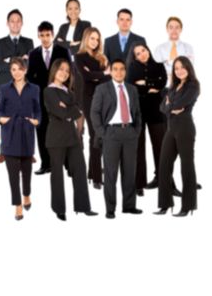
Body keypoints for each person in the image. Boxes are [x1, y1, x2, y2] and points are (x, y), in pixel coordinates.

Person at [44, 59, 98, 221]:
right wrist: (70, 109)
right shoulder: (49, 91)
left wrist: (67, 107)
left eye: (67, 71)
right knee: (57, 174)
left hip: (72, 137)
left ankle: (83, 207)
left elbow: (77, 112)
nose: (64, 73)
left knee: (80, 169)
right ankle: (59, 209)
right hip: (56, 138)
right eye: (61, 69)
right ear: (54, 70)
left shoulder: (69, 92)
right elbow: (62, 113)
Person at [90, 59, 142, 219]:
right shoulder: (102, 89)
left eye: (122, 69)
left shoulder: (132, 89)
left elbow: (137, 112)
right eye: (115, 69)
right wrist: (102, 133)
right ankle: (110, 209)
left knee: (130, 172)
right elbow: (94, 112)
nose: (119, 72)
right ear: (110, 71)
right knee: (111, 173)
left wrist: (136, 131)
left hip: (130, 134)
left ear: (125, 71)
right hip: (111, 134)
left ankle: (129, 206)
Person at [154, 56, 200, 217]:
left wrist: (170, 105)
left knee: (186, 166)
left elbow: (180, 104)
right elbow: (162, 107)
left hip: (185, 128)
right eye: (176, 68)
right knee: (164, 165)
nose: (179, 70)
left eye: (182, 67)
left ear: (188, 68)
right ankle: (165, 204)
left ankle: (188, 206)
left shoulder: (193, 86)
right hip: (171, 129)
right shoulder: (172, 87)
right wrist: (170, 107)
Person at [0, 57, 41, 220]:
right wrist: (3, 119)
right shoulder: (4, 89)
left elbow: (38, 110)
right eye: (13, 69)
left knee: (27, 170)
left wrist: (36, 120)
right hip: (10, 133)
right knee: (13, 174)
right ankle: (18, 205)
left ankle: (27, 195)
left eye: (19, 69)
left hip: (27, 132)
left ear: (25, 70)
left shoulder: (34, 89)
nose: (16, 72)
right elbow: (0, 109)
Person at [26, 21, 71, 175]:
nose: (45, 38)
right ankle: (46, 164)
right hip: (40, 99)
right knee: (42, 131)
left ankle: (66, 163)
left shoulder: (62, 52)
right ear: (38, 36)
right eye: (42, 35)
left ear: (53, 35)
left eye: (48, 35)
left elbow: (69, 74)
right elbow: (30, 78)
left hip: (59, 97)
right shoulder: (33, 54)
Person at [126, 42, 169, 196]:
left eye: (143, 50)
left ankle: (161, 179)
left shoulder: (159, 66)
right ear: (135, 57)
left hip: (157, 112)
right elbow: (131, 86)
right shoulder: (131, 68)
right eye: (138, 53)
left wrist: (145, 84)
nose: (142, 54)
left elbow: (162, 83)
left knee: (161, 147)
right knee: (138, 148)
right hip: (138, 112)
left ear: (148, 50)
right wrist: (150, 87)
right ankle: (139, 184)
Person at [75, 27, 111, 189]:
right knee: (95, 135)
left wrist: (98, 76)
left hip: (103, 99)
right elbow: (86, 77)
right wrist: (102, 74)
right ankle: (96, 176)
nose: (95, 42)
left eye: (97, 39)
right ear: (86, 38)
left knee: (101, 135)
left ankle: (92, 172)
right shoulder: (79, 57)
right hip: (88, 99)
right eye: (92, 38)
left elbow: (108, 79)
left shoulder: (102, 58)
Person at [0, 9, 34, 94]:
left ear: (22, 23)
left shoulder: (28, 42)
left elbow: (30, 64)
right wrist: (20, 60)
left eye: (18, 21)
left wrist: (9, 60)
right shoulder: (0, 42)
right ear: (7, 23)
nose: (15, 24)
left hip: (23, 85)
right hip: (4, 83)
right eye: (12, 21)